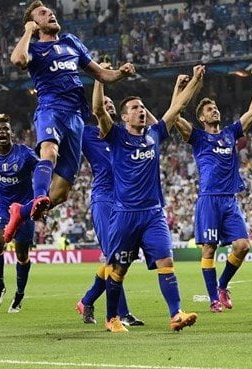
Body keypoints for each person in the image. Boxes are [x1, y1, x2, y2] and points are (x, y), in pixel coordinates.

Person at [5, 0, 135, 242]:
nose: (50, 13)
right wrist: (27, 32)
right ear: (34, 23)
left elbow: (101, 74)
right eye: (42, 13)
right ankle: (39, 194)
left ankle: (20, 211)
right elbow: (18, 61)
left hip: (76, 117)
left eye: (50, 11)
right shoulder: (32, 49)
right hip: (50, 109)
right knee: (49, 150)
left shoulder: (71, 42)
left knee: (62, 192)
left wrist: (120, 73)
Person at [99, 65, 205, 333]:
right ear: (123, 117)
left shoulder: (154, 134)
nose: (141, 110)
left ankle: (176, 314)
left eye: (143, 106)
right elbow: (99, 111)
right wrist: (100, 78)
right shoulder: (117, 135)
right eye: (135, 108)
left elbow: (176, 108)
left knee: (166, 263)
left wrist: (195, 80)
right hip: (124, 215)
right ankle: (112, 318)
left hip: (153, 214)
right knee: (119, 269)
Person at [172, 67, 252, 313]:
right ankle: (214, 299)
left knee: (243, 245)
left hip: (229, 200)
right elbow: (173, 116)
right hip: (209, 199)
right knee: (209, 249)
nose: (214, 110)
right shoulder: (197, 137)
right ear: (202, 118)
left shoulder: (229, 134)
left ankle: (222, 286)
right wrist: (180, 89)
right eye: (209, 109)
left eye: (215, 108)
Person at [75, 65, 149, 327]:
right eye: (102, 103)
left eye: (110, 104)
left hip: (125, 203)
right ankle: (121, 313)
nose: (106, 105)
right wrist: (100, 79)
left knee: (120, 257)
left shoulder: (123, 136)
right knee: (116, 257)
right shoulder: (86, 134)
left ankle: (87, 299)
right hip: (104, 199)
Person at [0, 114, 38, 313]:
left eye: (6, 129)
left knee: (22, 254)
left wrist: (40, 201)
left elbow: (41, 171)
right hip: (2, 206)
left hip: (24, 208)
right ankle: (0, 285)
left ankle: (19, 295)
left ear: (12, 133)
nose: (2, 132)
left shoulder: (26, 154)